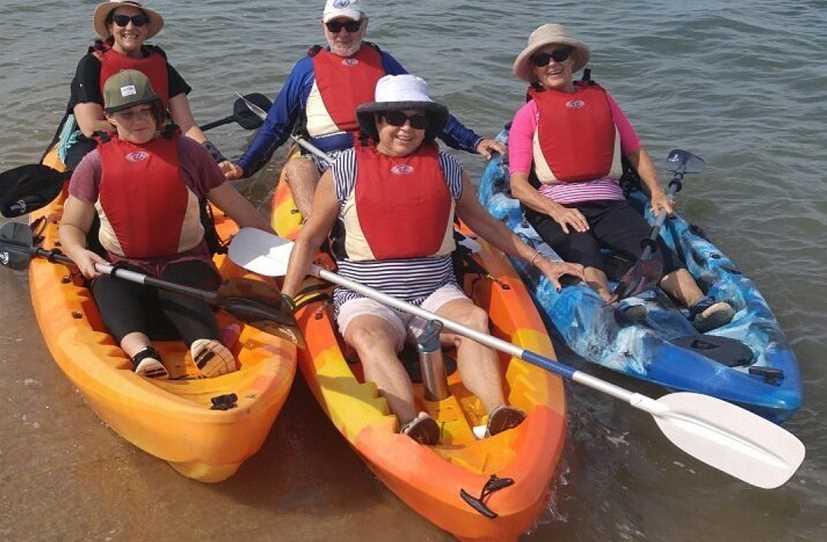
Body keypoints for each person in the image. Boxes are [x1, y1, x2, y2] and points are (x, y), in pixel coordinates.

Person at [280, 75, 584, 444]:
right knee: (368, 337)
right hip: (367, 295)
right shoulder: (344, 168)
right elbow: (311, 237)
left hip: (435, 291)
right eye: (396, 118)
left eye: (418, 120)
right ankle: (412, 420)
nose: (406, 128)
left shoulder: (447, 168)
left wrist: (543, 262)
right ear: (377, 122)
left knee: (473, 319)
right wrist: (286, 297)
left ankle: (496, 410)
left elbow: (485, 224)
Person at [507, 24, 734, 332]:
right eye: (542, 60)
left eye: (559, 54)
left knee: (649, 248)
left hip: (609, 202)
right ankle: (610, 306)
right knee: (583, 251)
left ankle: (700, 304)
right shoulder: (529, 114)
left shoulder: (603, 100)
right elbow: (518, 185)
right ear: (534, 71)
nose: (552, 64)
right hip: (555, 206)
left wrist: (655, 191)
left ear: (572, 60)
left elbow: (635, 151)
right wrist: (556, 210)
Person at [59, 70, 272, 380]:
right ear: (110, 118)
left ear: (160, 112)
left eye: (147, 110)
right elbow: (71, 226)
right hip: (122, 266)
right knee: (110, 289)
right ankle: (142, 354)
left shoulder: (189, 153)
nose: (139, 119)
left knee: (183, 286)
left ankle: (204, 345)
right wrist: (79, 254)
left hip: (185, 261)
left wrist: (286, 253)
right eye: (128, 113)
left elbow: (240, 210)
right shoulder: (95, 162)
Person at [223, 0, 506, 220]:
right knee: (297, 167)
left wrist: (474, 141)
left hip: (381, 153)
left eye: (351, 26)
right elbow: (276, 125)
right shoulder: (305, 70)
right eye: (335, 27)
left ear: (364, 25)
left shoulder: (383, 63)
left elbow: (425, 111)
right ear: (323, 27)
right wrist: (244, 165)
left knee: (432, 166)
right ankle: (318, 231)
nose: (343, 34)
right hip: (326, 159)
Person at [52, 1, 227, 171]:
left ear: (146, 28)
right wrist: (147, 131)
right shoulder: (91, 64)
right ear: (110, 27)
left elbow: (187, 125)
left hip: (150, 132)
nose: (129, 27)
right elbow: (90, 126)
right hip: (93, 140)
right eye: (121, 20)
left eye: (138, 21)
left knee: (194, 165)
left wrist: (215, 158)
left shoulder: (159, 63)